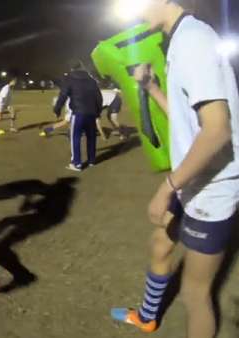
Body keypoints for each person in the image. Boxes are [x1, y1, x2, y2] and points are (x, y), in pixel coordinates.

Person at [110, 1, 239, 337]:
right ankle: (148, 317)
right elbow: (190, 123)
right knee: (161, 244)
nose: (134, 12)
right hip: (193, 178)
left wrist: (167, 186)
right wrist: (152, 88)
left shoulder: (194, 40)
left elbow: (216, 130)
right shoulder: (180, 40)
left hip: (212, 188)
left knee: (194, 294)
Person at [54, 61, 103, 171]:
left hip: (78, 113)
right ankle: (91, 160)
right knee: (91, 137)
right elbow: (99, 98)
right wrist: (98, 112)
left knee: (75, 138)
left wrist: (57, 109)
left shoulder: (69, 79)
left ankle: (77, 163)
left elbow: (63, 95)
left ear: (72, 69)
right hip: (91, 113)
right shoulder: (91, 81)